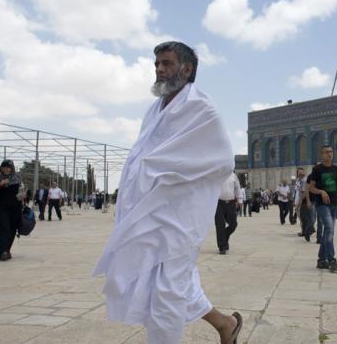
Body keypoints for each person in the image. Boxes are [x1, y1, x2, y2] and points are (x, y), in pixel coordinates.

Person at [93, 41, 242, 344]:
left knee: (167, 292)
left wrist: (165, 170)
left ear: (187, 69)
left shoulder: (201, 108)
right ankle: (225, 324)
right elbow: (142, 156)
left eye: (167, 63)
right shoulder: (154, 110)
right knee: (163, 281)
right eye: (157, 64)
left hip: (180, 216)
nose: (160, 69)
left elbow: (222, 160)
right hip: (150, 211)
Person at [308, 145, 337, 273]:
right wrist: (321, 191)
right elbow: (311, 188)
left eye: (331, 152)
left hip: (334, 204)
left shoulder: (336, 169)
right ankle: (332, 260)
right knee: (329, 228)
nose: (329, 154)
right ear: (322, 154)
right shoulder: (317, 169)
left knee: (329, 232)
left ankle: (321, 260)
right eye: (326, 152)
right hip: (322, 204)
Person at [0, 160, 23, 261]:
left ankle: (7, 250)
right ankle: (0, 251)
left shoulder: (18, 179)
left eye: (8, 167)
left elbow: (23, 191)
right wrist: (0, 185)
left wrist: (24, 195)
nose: (6, 169)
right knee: (2, 228)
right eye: (4, 167)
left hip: (15, 208)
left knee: (12, 229)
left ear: (12, 168)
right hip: (1, 208)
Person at [216, 172, 241, 254]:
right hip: (218, 203)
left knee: (233, 224)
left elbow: (237, 187)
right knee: (220, 225)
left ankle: (225, 237)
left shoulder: (233, 175)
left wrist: (240, 200)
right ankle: (222, 246)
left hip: (230, 203)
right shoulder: (216, 174)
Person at [294, 168, 313, 240]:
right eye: (299, 173)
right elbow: (297, 192)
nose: (300, 174)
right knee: (301, 217)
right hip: (297, 200)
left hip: (301, 202)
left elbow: (303, 193)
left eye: (301, 172)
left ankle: (307, 230)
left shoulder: (304, 181)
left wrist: (299, 203)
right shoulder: (299, 181)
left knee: (303, 217)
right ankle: (304, 230)